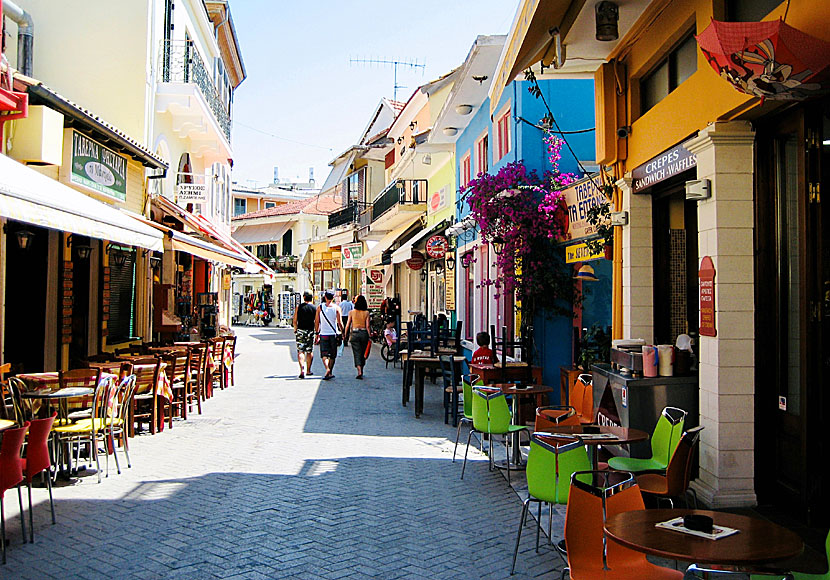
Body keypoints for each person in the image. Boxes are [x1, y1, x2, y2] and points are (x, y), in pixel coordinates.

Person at [315, 291, 343, 380]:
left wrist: (316, 332)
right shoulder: (337, 308)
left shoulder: (320, 307)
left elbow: (316, 321)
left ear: (325, 297)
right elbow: (340, 322)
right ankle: (330, 371)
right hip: (333, 334)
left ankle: (327, 368)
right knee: (332, 355)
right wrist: (343, 332)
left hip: (323, 334)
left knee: (324, 354)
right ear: (333, 297)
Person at [344, 295, 371, 380]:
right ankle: (361, 369)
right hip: (364, 333)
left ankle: (359, 370)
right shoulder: (366, 313)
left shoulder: (351, 312)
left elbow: (348, 325)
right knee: (363, 352)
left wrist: (345, 334)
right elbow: (368, 326)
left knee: (357, 353)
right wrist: (370, 335)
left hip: (355, 333)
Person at [292, 292, 316, 378]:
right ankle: (308, 370)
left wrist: (295, 329)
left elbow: (295, 320)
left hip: (301, 330)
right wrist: (316, 332)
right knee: (309, 351)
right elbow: (316, 321)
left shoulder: (299, 307)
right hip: (310, 330)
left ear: (304, 297)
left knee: (300, 350)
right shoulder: (314, 308)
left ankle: (302, 369)